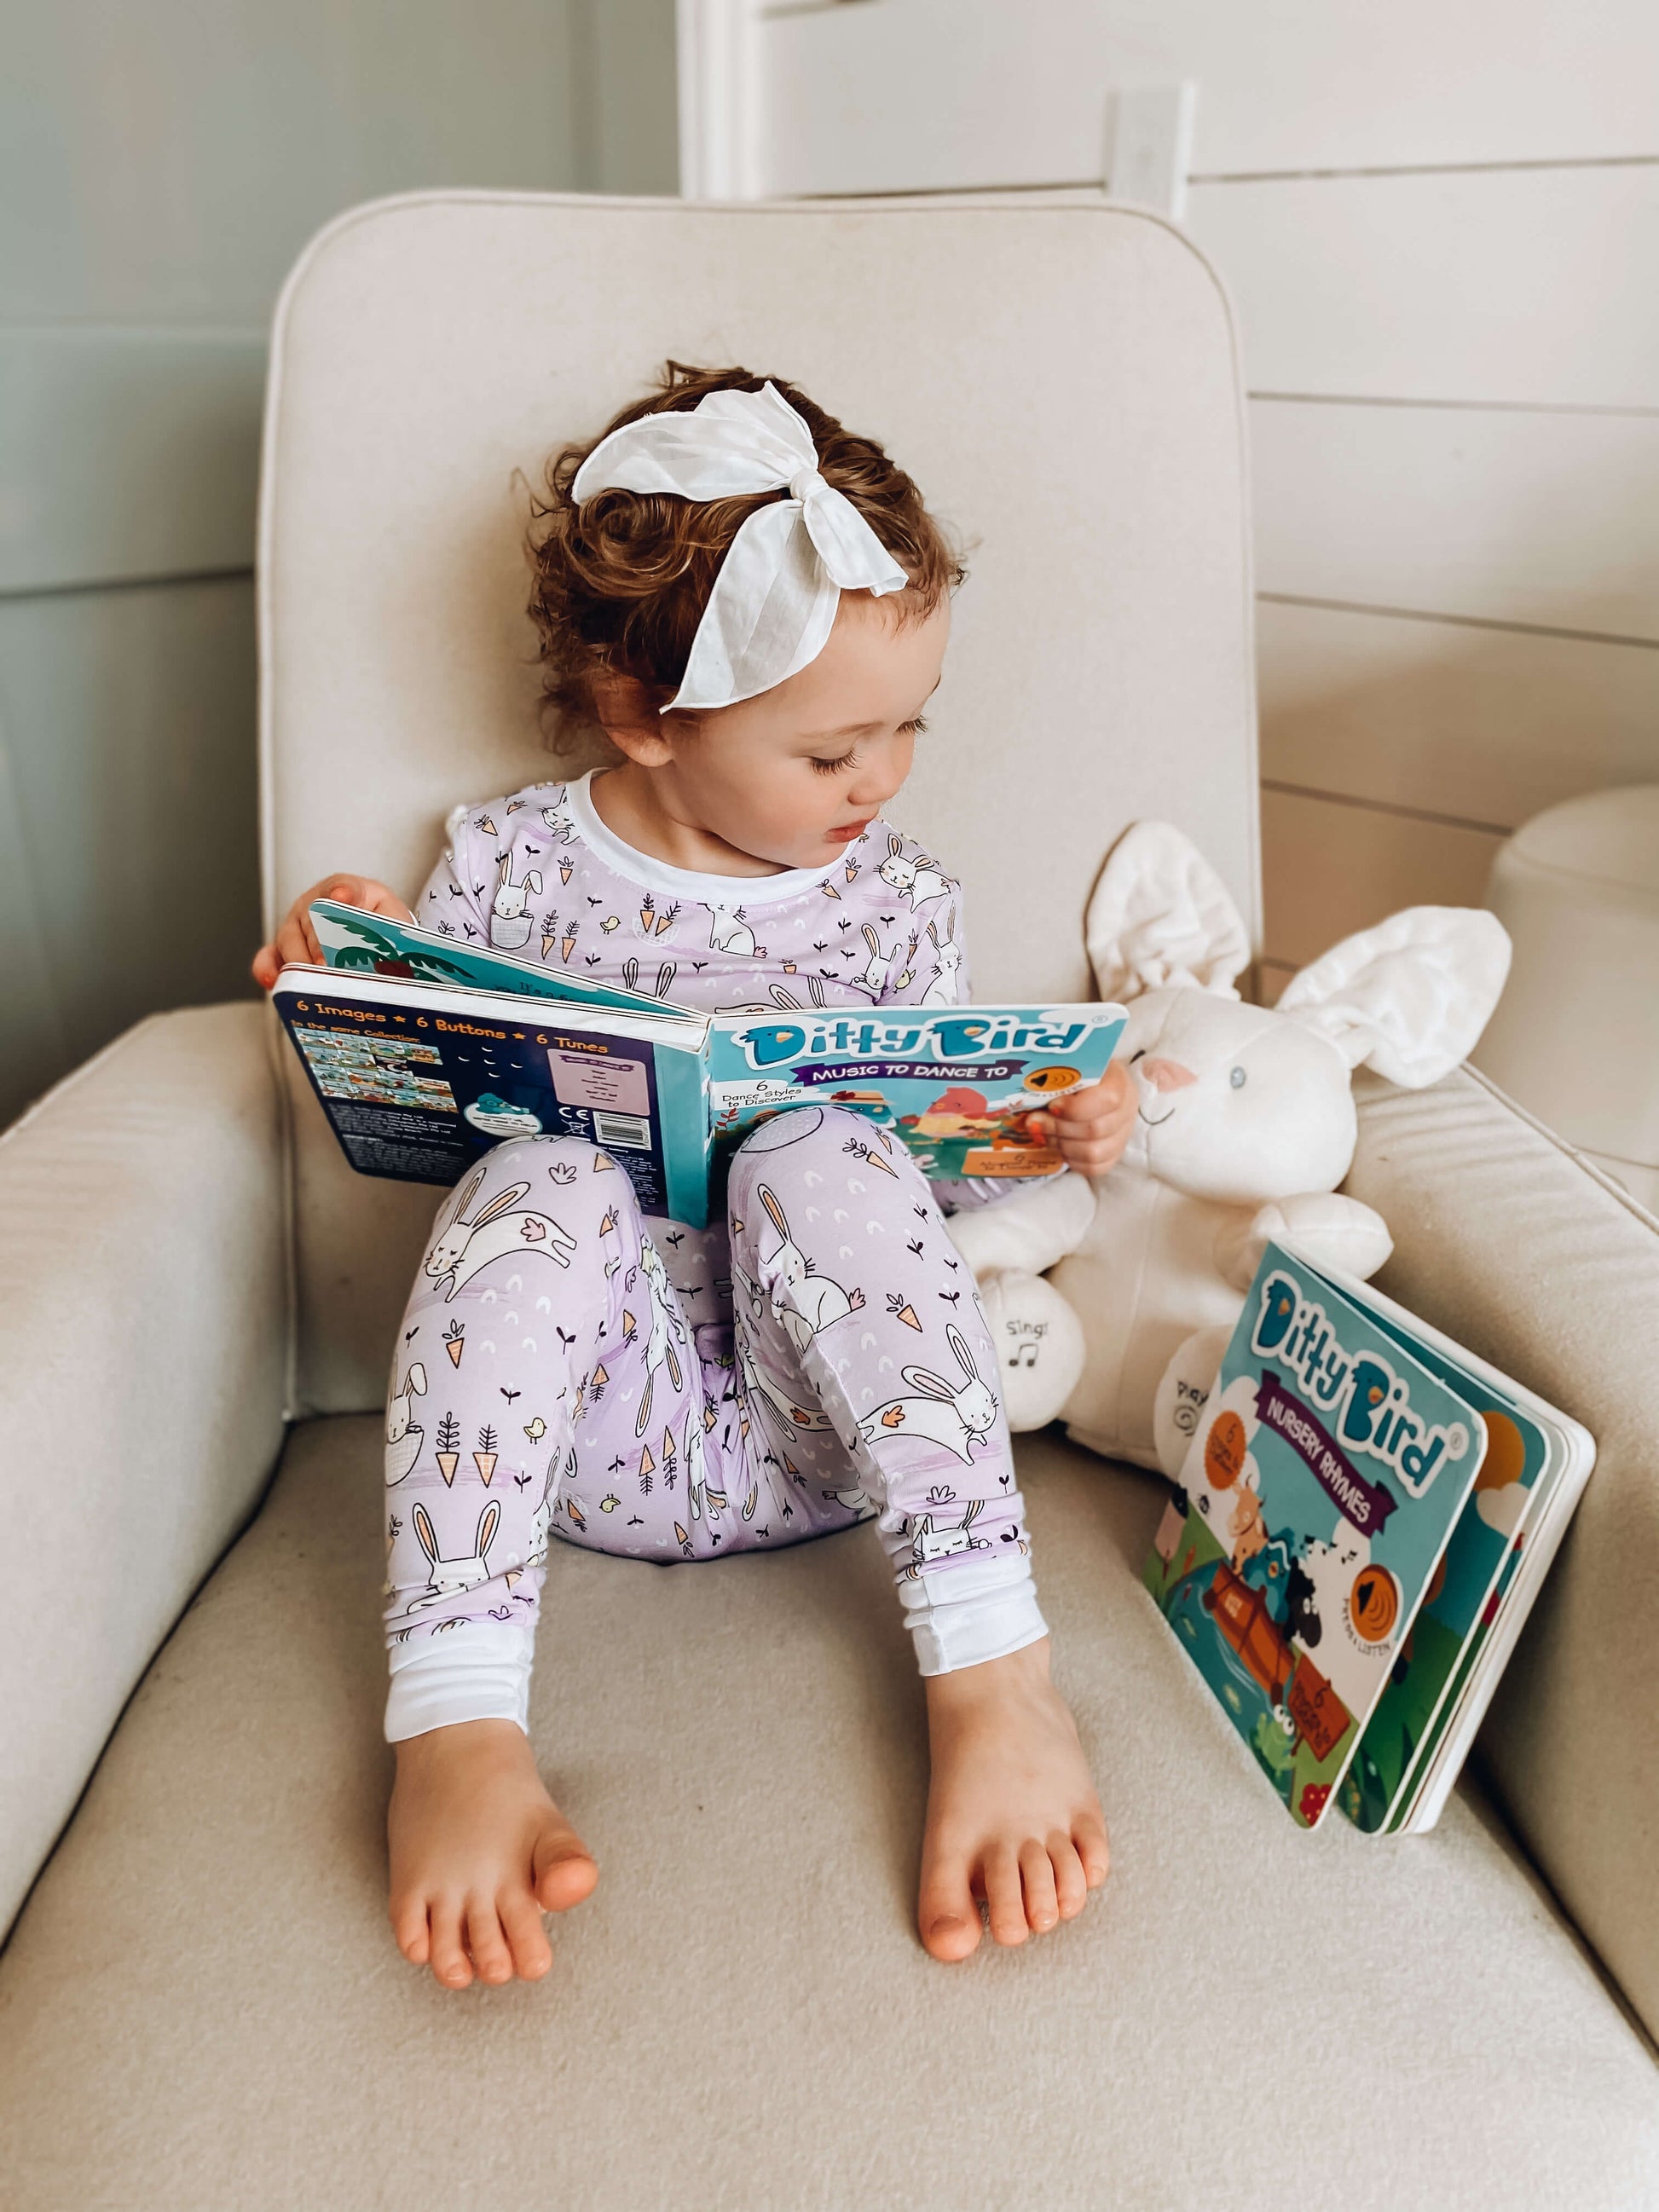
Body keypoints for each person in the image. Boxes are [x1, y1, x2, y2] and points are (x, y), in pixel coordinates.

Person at [253, 365, 1136, 1990]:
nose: (881, 780)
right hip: (582, 1435)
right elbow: (437, 1137)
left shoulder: (901, 902)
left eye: (909, 728)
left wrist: (1052, 1130)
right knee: (550, 1186)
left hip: (834, 1441)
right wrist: (354, 974)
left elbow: (921, 1218)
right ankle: (456, 1718)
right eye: (829, 751)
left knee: (819, 1146)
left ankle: (992, 1666)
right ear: (642, 717)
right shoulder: (510, 864)